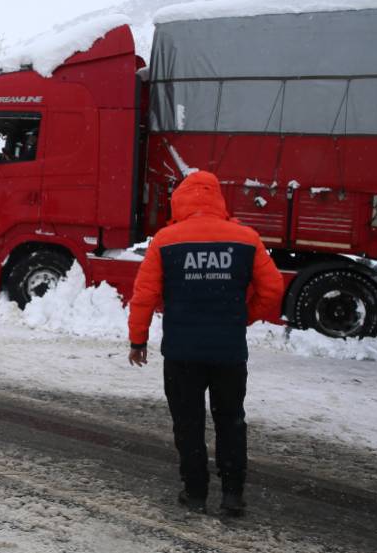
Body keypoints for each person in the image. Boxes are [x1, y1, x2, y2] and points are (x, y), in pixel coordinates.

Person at [126, 170, 283, 516]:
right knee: (231, 421)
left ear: (180, 199)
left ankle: (195, 493)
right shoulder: (245, 238)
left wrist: (138, 340)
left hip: (182, 352)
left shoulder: (165, 241)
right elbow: (273, 288)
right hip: (228, 352)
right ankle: (232, 495)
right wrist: (244, 316)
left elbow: (144, 297)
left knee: (188, 422)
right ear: (218, 198)